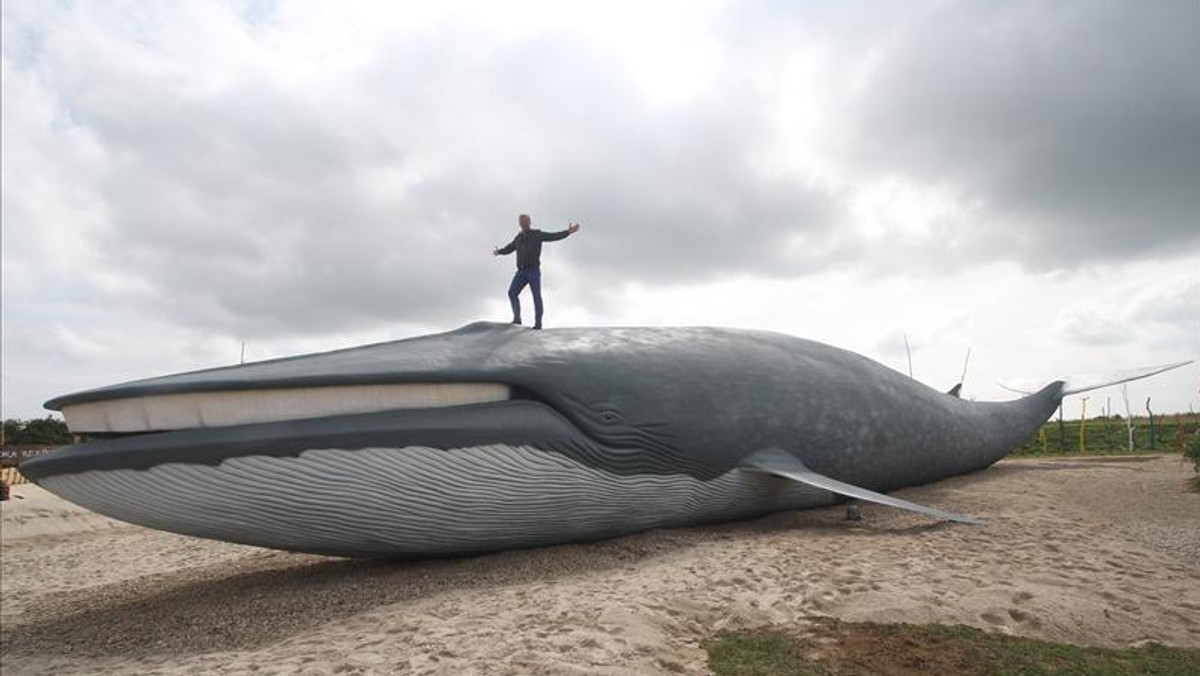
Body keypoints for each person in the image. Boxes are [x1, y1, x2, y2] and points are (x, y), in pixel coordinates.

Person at [493, 214, 580, 330]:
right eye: (522, 222)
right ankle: (517, 319)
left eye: (526, 222)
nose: (524, 224)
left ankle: (538, 323)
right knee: (512, 293)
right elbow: (510, 248)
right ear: (520, 224)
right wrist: (499, 252)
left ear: (529, 222)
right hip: (521, 272)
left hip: (533, 271)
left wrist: (568, 232)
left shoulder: (537, 234)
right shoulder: (518, 238)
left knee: (536, 296)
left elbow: (553, 236)